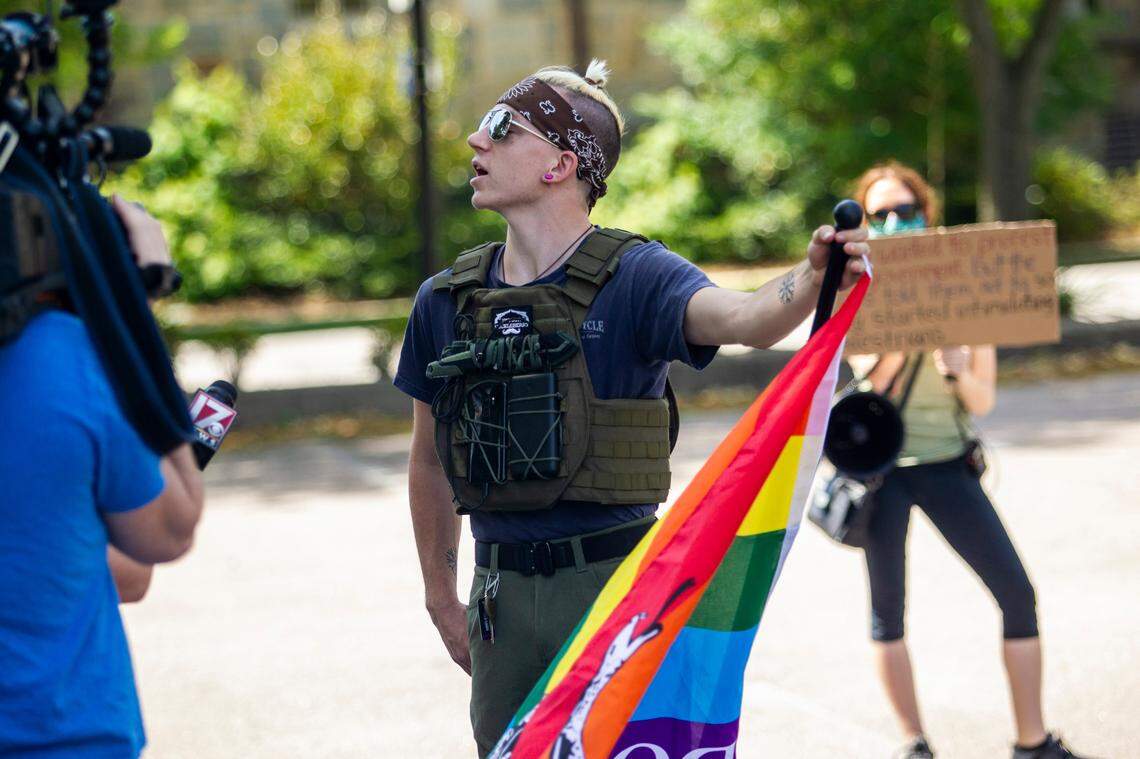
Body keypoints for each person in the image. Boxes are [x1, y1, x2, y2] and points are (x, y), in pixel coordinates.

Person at [394, 59, 870, 756]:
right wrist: (441, 598)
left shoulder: (636, 276)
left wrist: (813, 276)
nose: (475, 140)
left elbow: (744, 319)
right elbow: (427, 460)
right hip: (502, 603)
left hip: (620, 595)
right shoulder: (445, 300)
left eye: (501, 127)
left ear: (561, 164)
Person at [851, 162, 1088, 759]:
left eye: (905, 210)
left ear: (926, 215)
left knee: (1016, 593)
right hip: (883, 475)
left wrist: (954, 363)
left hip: (946, 462)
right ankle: (914, 743)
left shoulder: (962, 288)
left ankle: (1032, 742)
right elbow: (860, 394)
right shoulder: (856, 290)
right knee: (887, 613)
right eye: (879, 214)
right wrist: (898, 339)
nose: (894, 221)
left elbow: (983, 399)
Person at [0, 196, 206, 758]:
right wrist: (131, 309)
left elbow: (121, 572)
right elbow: (167, 531)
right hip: (60, 735)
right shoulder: (60, 357)